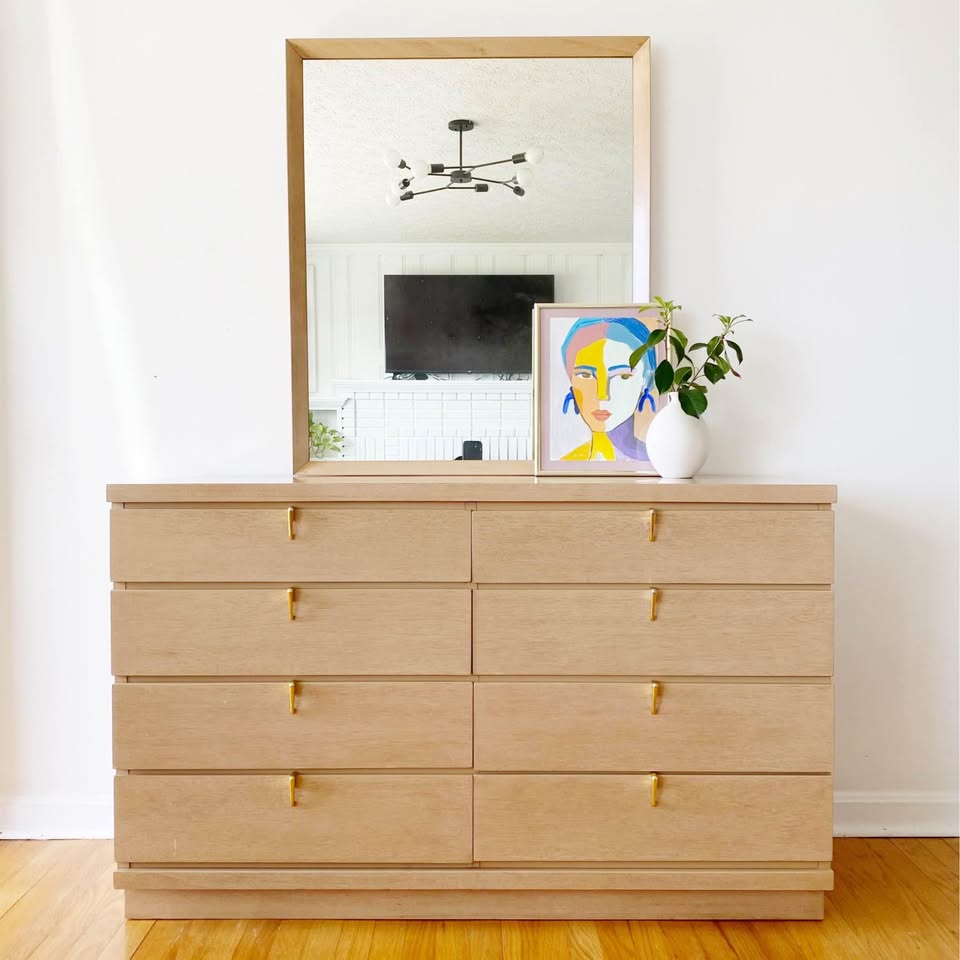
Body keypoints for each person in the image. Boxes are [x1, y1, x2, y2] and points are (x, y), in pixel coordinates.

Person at [559, 316, 657, 461]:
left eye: (623, 376)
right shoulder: (565, 464)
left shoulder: (657, 461)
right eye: (585, 375)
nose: (602, 395)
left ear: (646, 381)